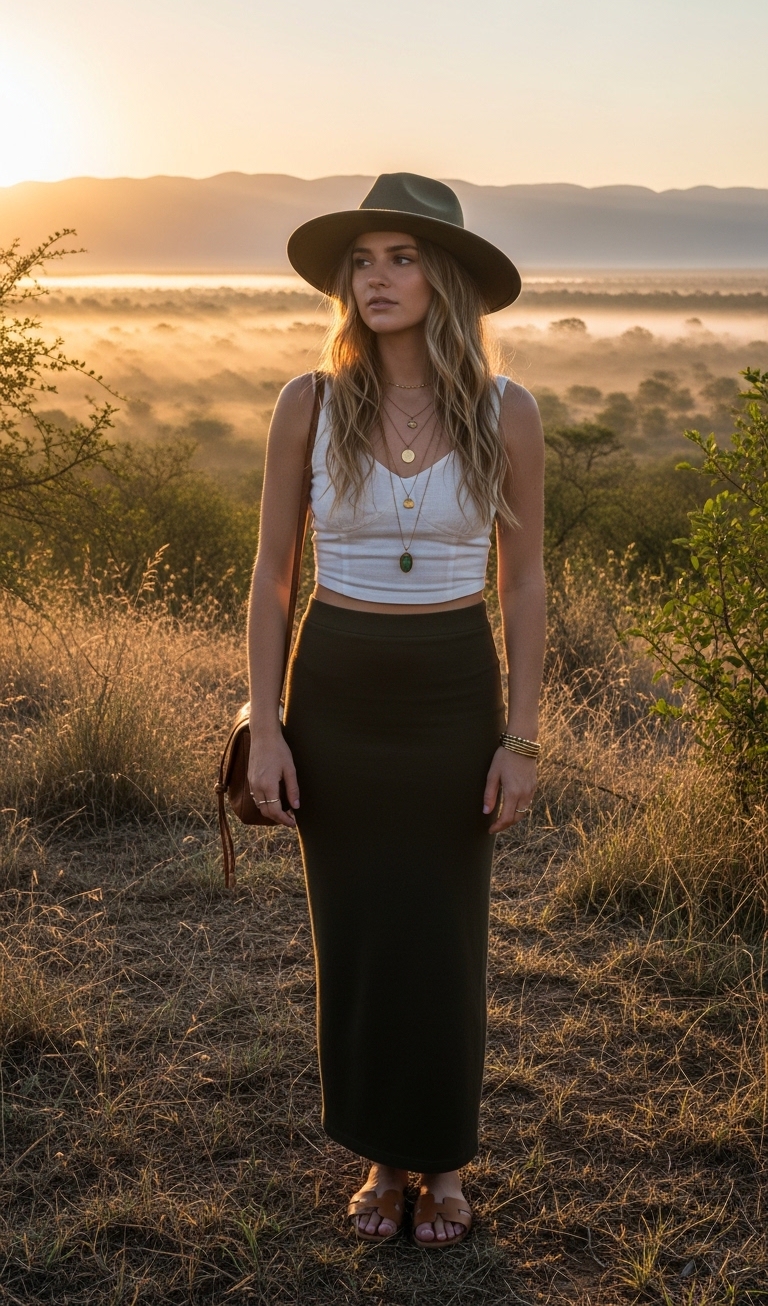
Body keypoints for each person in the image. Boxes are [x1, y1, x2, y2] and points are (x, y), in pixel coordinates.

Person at [246, 173, 545, 1247]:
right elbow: (274, 574)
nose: (377, 277)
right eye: (363, 259)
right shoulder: (308, 403)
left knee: (446, 932)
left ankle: (447, 1160)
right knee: (362, 931)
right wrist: (268, 726)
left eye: (403, 257)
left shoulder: (507, 410)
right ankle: (383, 1156)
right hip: (337, 690)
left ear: (446, 278)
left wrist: (519, 738)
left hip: (453, 690)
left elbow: (523, 584)